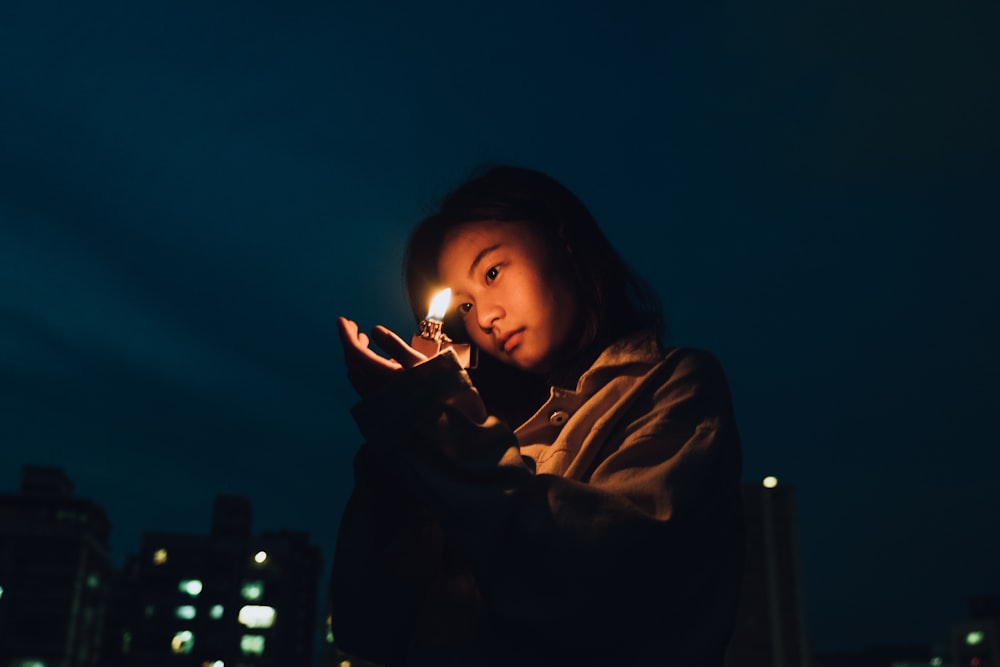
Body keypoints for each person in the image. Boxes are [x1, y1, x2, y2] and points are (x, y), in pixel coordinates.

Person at [331, 165, 745, 667]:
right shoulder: (490, 430)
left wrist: (436, 423)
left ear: (562, 239)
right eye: (463, 306)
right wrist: (393, 462)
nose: (484, 317)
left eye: (491, 272)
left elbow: (597, 580)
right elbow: (366, 629)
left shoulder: (674, 385)